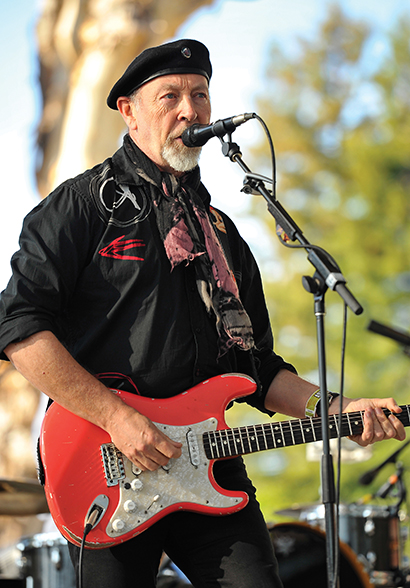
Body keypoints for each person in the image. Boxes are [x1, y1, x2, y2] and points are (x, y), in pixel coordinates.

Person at [0, 39, 405, 588]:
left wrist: (339, 411)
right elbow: (20, 329)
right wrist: (117, 418)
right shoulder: (78, 207)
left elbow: (259, 371)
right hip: (108, 466)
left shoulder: (223, 236)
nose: (190, 109)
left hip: (208, 464)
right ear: (129, 110)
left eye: (200, 95)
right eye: (169, 96)